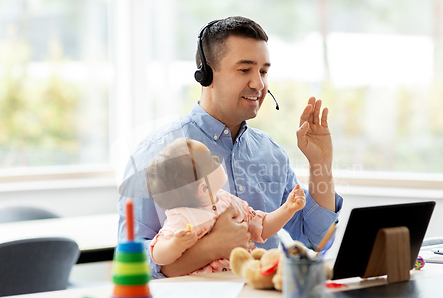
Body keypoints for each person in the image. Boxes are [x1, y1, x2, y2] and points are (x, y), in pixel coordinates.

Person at [118, 16, 343, 279]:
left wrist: (321, 164)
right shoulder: (155, 153)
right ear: (207, 75)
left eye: (263, 71)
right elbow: (130, 262)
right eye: (245, 70)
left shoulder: (270, 153)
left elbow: (317, 239)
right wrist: (209, 248)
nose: (259, 84)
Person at [147, 138, 306, 274]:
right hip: (206, 288)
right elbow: (157, 253)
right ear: (204, 188)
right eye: (211, 160)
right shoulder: (183, 217)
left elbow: (261, 226)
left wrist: (288, 208)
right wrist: (174, 245)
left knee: (274, 260)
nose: (218, 159)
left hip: (240, 278)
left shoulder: (227, 201)